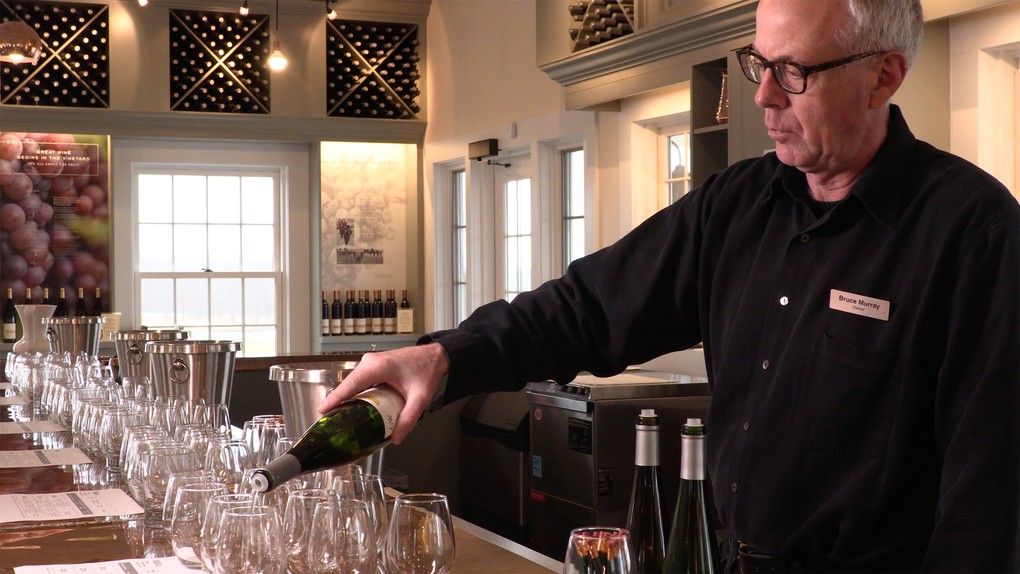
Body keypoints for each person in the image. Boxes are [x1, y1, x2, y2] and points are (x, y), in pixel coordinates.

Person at [320, 0, 1019, 571]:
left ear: (884, 76)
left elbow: (991, 491)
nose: (764, 95)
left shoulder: (973, 233)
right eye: (759, 63)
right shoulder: (735, 207)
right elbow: (585, 309)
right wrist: (443, 358)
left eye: (793, 71)